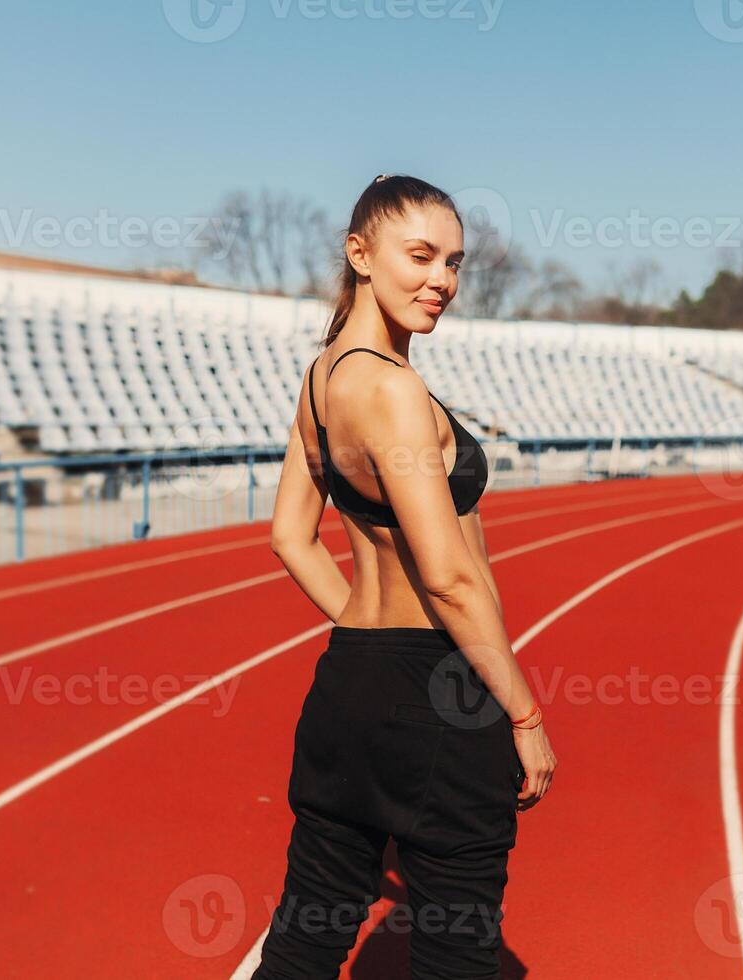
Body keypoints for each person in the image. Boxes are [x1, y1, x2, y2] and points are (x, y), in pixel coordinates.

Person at [255, 174, 557, 980]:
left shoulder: (322, 380)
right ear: (360, 253)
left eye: (455, 263)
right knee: (458, 950)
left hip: (348, 682)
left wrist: (363, 626)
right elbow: (452, 578)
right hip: (438, 697)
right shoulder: (393, 389)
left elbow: (290, 538)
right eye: (420, 256)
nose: (442, 281)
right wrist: (524, 715)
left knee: (307, 938)